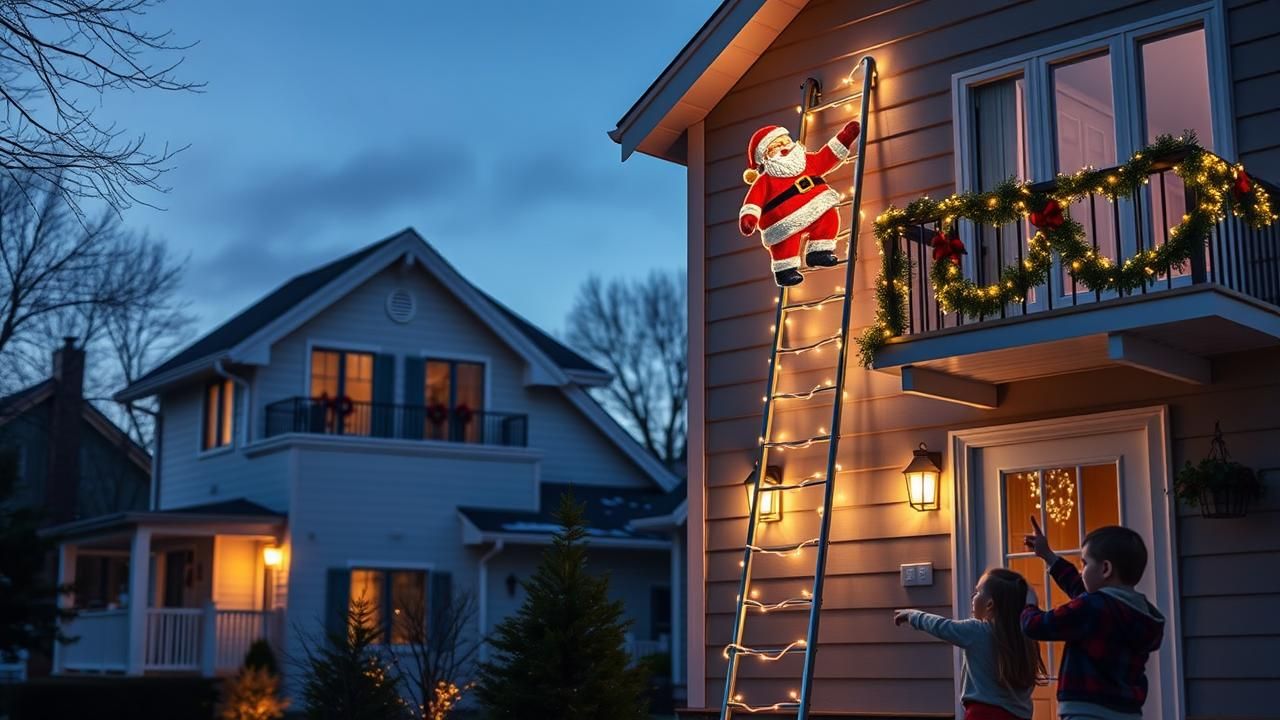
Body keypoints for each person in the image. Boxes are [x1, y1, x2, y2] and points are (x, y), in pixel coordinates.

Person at [1021, 517, 1165, 719]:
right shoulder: (1140, 613)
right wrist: (1048, 557)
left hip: (1086, 713)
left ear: (1105, 569)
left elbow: (1035, 626)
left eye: (1084, 564)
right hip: (1128, 713)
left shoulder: (1092, 608)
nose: (1081, 571)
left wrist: (1028, 604)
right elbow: (1081, 589)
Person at [894, 568, 1045, 720]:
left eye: (978, 592)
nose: (973, 597)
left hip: (982, 714)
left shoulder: (978, 631)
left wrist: (914, 615)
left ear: (990, 604)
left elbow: (942, 626)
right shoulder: (1026, 638)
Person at [738, 120, 860, 286]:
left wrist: (845, 138)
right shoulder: (765, 180)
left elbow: (826, 158)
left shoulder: (807, 161)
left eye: (785, 141)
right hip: (783, 224)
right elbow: (754, 200)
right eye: (776, 146)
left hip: (818, 207)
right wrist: (749, 218)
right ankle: (785, 271)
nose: (784, 147)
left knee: (829, 218)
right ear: (765, 157)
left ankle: (819, 252)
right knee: (785, 245)